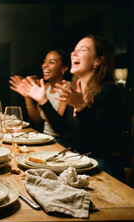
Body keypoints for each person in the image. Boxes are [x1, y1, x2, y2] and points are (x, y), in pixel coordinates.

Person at [23, 35, 126, 181]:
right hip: (80, 161)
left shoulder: (109, 91)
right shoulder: (75, 90)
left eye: (82, 50)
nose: (73, 53)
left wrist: (81, 107)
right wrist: (43, 100)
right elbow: (62, 129)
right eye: (74, 50)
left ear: (98, 60)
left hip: (104, 165)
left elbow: (102, 142)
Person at [9, 49, 70, 138]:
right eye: (45, 62)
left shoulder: (67, 88)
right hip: (45, 137)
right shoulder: (45, 87)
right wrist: (27, 97)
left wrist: (43, 100)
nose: (45, 65)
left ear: (64, 68)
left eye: (51, 62)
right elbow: (37, 121)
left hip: (61, 141)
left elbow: (59, 128)